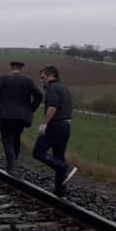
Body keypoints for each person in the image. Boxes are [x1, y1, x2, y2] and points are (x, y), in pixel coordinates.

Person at [0, 61, 43, 176]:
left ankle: (11, 166)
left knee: (7, 140)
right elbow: (39, 95)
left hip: (6, 115)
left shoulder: (3, 78)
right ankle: (13, 163)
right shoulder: (28, 81)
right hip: (21, 117)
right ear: (21, 69)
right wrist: (30, 109)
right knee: (16, 138)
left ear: (11, 68)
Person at [32, 65, 78, 196]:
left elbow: (52, 107)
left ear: (51, 75)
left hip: (55, 125)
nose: (42, 81)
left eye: (43, 78)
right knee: (58, 157)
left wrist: (44, 124)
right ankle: (60, 190)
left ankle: (65, 168)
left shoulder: (52, 88)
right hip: (66, 126)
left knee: (38, 152)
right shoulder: (64, 88)